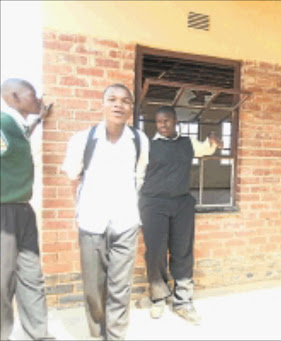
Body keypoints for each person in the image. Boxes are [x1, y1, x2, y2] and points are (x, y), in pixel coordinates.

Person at [61, 84, 149, 340]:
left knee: (120, 289)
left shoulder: (139, 140)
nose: (118, 105)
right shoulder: (83, 140)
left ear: (131, 108)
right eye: (112, 99)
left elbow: (139, 177)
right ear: (102, 104)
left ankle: (115, 335)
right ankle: (97, 333)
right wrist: (77, 213)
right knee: (94, 288)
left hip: (126, 223)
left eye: (125, 101)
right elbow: (73, 178)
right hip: (91, 222)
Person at [139, 106, 223, 323]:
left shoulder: (187, 143)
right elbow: (138, 175)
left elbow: (206, 148)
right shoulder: (148, 145)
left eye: (167, 120)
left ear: (176, 121)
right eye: (159, 122)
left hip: (181, 203)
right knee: (155, 251)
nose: (163, 125)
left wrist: (213, 140)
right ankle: (158, 298)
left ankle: (183, 300)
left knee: (182, 250)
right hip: (153, 203)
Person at [0, 78, 54, 341]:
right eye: (32, 94)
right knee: (1, 281)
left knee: (32, 275)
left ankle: (38, 333)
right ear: (14, 96)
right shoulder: (1, 123)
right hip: (3, 213)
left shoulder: (16, 126)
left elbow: (19, 140)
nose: (38, 99)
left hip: (23, 211)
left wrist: (39, 119)